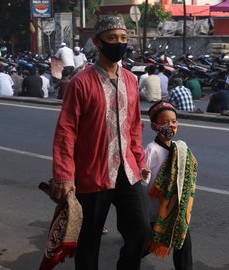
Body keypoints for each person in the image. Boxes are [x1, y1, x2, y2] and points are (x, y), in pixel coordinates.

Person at [51, 16, 150, 270]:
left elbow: (135, 126)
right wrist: (64, 175)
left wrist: (139, 161)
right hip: (93, 174)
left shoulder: (131, 80)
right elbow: (66, 131)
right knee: (89, 242)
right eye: (112, 38)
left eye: (124, 38)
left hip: (128, 171)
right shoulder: (80, 83)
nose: (119, 43)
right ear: (98, 42)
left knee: (142, 232)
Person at [142, 101, 197, 270]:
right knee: (146, 245)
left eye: (173, 121)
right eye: (165, 122)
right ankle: (126, 260)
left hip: (176, 210)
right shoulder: (151, 150)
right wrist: (143, 175)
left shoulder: (179, 148)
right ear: (154, 126)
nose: (171, 126)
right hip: (156, 212)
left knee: (183, 244)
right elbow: (143, 182)